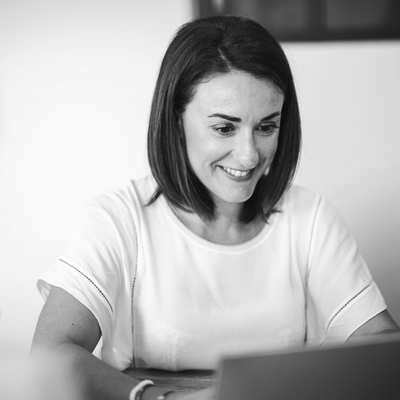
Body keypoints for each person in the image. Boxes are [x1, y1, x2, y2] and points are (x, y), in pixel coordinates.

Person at [31, 14, 400, 400]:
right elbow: (51, 355)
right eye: (225, 128)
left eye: (266, 127)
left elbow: (380, 341)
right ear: (176, 120)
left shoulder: (310, 218)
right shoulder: (117, 220)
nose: (249, 155)